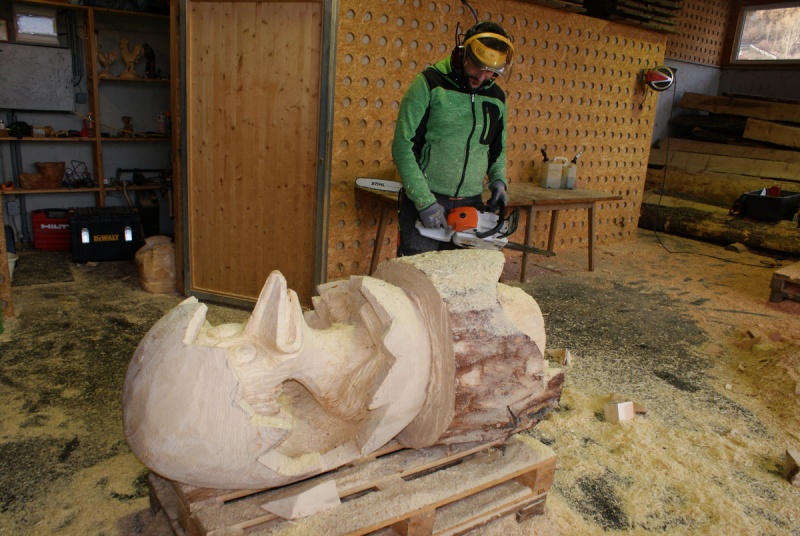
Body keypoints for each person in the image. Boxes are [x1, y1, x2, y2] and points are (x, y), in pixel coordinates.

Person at [392, 21, 514, 256]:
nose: (483, 76)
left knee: (461, 276)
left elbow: (496, 148)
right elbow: (402, 146)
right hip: (427, 197)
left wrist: (498, 180)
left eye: (491, 71)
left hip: (471, 203)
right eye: (478, 67)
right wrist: (423, 200)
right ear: (462, 55)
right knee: (417, 273)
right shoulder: (429, 84)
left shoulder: (497, 97)